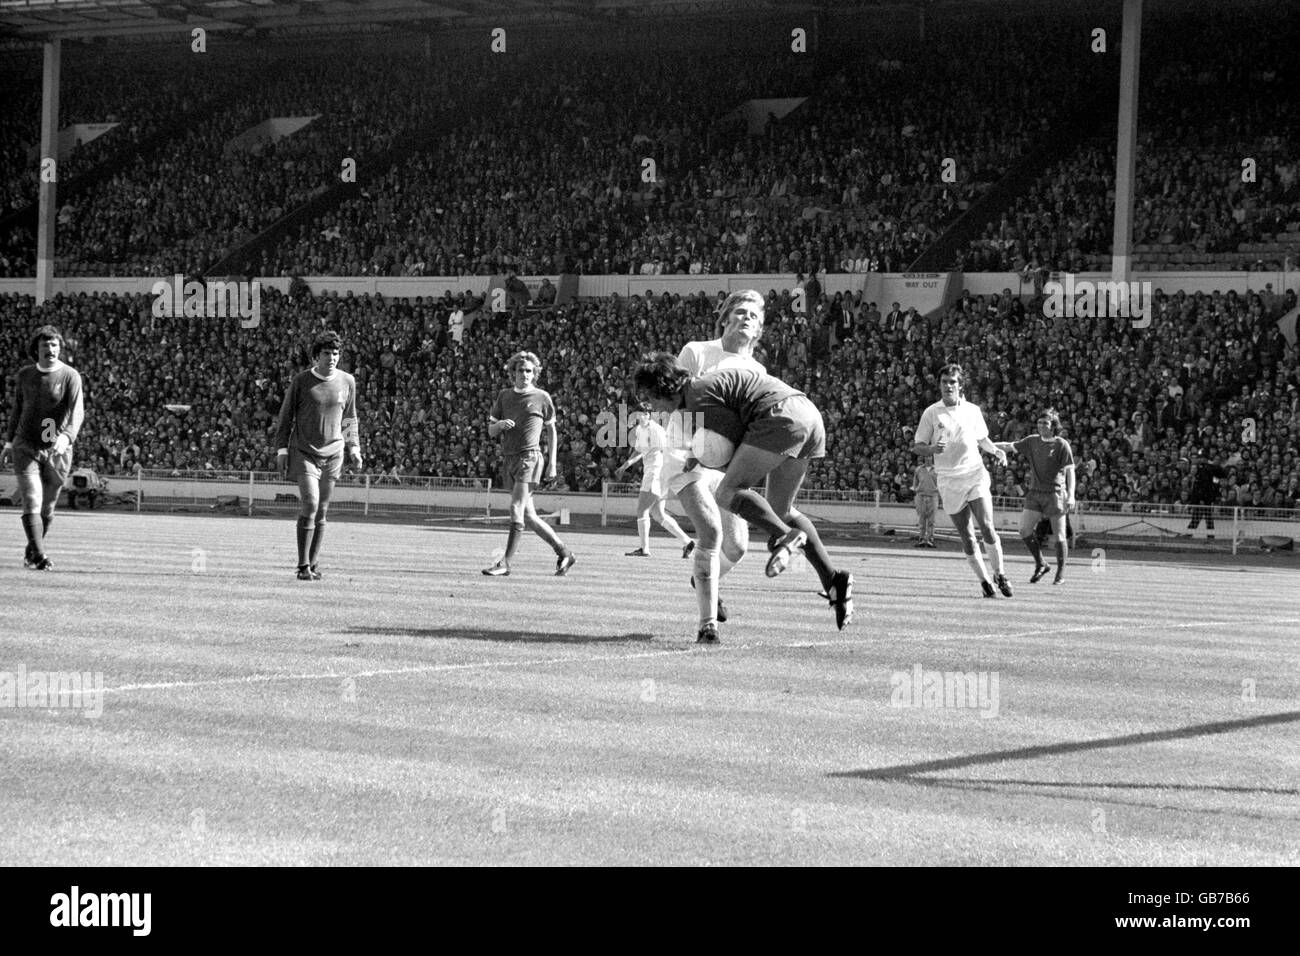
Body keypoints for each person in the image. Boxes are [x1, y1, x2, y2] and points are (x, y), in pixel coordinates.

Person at [635, 353, 854, 643]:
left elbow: (735, 443)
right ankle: (834, 581)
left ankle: (787, 537)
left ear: (662, 388)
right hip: (808, 415)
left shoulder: (696, 398)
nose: (652, 407)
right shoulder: (701, 389)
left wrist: (710, 462)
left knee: (728, 492)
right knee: (781, 509)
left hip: (781, 416)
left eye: (650, 398)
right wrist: (700, 460)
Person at [667, 290, 769, 641]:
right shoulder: (696, 352)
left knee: (737, 546)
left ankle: (702, 578)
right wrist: (696, 445)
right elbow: (675, 401)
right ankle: (706, 625)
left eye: (753, 317)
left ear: (758, 332)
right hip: (685, 455)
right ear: (724, 318)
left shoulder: (757, 370)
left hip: (726, 463)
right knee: (710, 534)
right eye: (739, 312)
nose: (745, 319)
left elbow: (749, 423)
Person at [911, 364, 1012, 598]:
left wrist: (996, 451)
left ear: (960, 385)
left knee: (986, 525)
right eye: (944, 381)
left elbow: (982, 438)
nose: (948, 385)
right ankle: (985, 581)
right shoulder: (931, 413)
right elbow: (917, 446)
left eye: (952, 382)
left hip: (974, 472)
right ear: (939, 385)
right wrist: (932, 448)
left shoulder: (972, 410)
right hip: (948, 479)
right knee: (967, 535)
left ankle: (1000, 573)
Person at [274, 331, 363, 580]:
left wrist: (354, 448)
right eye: (326, 353)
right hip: (304, 450)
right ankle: (302, 566)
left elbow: (350, 417)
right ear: (316, 356)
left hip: (334, 452)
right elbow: (285, 417)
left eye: (335, 353)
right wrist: (282, 449)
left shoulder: (348, 381)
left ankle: (312, 565)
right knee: (310, 503)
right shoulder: (301, 381)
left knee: (322, 510)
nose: (332, 357)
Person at [482, 350, 576, 577]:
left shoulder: (542, 397)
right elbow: (490, 430)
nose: (525, 374)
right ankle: (564, 553)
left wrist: (553, 463)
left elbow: (551, 431)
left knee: (515, 508)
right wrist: (500, 425)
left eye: (529, 371)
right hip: (510, 459)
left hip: (530, 458)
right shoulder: (504, 396)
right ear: (513, 372)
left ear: (535, 373)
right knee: (528, 516)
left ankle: (505, 563)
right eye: (521, 370)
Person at [1, 325, 84, 570]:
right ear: (36, 350)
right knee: (32, 499)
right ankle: (39, 556)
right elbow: (17, 409)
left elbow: (77, 411)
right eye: (45, 345)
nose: (50, 349)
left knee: (47, 507)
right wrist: (8, 442)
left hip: (57, 449)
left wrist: (67, 437)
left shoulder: (70, 376)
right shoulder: (25, 375)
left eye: (54, 345)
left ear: (60, 348)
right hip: (26, 445)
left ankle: (31, 552)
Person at [995, 408, 1076, 584]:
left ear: (1053, 426)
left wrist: (1071, 495)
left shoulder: (1061, 444)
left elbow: (1070, 471)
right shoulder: (1032, 441)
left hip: (1055, 494)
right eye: (1039, 423)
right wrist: (985, 444)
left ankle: (1060, 574)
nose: (1041, 426)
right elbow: (1009, 446)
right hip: (1035, 493)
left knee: (1060, 536)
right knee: (1024, 529)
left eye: (1045, 423)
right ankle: (1041, 563)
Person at [614, 402, 694, 558]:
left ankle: (644, 549)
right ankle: (687, 542)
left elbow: (666, 450)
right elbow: (638, 450)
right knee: (658, 514)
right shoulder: (640, 430)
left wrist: (663, 474)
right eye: (637, 413)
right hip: (652, 471)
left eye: (642, 413)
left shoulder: (656, 429)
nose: (639, 416)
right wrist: (626, 464)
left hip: (655, 472)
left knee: (642, 510)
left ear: (648, 415)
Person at [1187, 451, 1227, 538]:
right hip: (1205, 497)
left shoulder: (1206, 469)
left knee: (1199, 517)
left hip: (1204, 498)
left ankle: (1190, 533)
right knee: (1205, 517)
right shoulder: (1206, 468)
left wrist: (1201, 499)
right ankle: (1209, 535)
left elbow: (1204, 485)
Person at [911, 456, 938, 547]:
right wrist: (916, 489)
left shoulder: (937, 469)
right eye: (926, 457)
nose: (928, 459)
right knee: (921, 518)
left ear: (932, 458)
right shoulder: (919, 469)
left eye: (930, 457)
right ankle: (921, 538)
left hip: (933, 495)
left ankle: (930, 538)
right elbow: (915, 482)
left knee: (932, 519)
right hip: (920, 495)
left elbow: (941, 482)